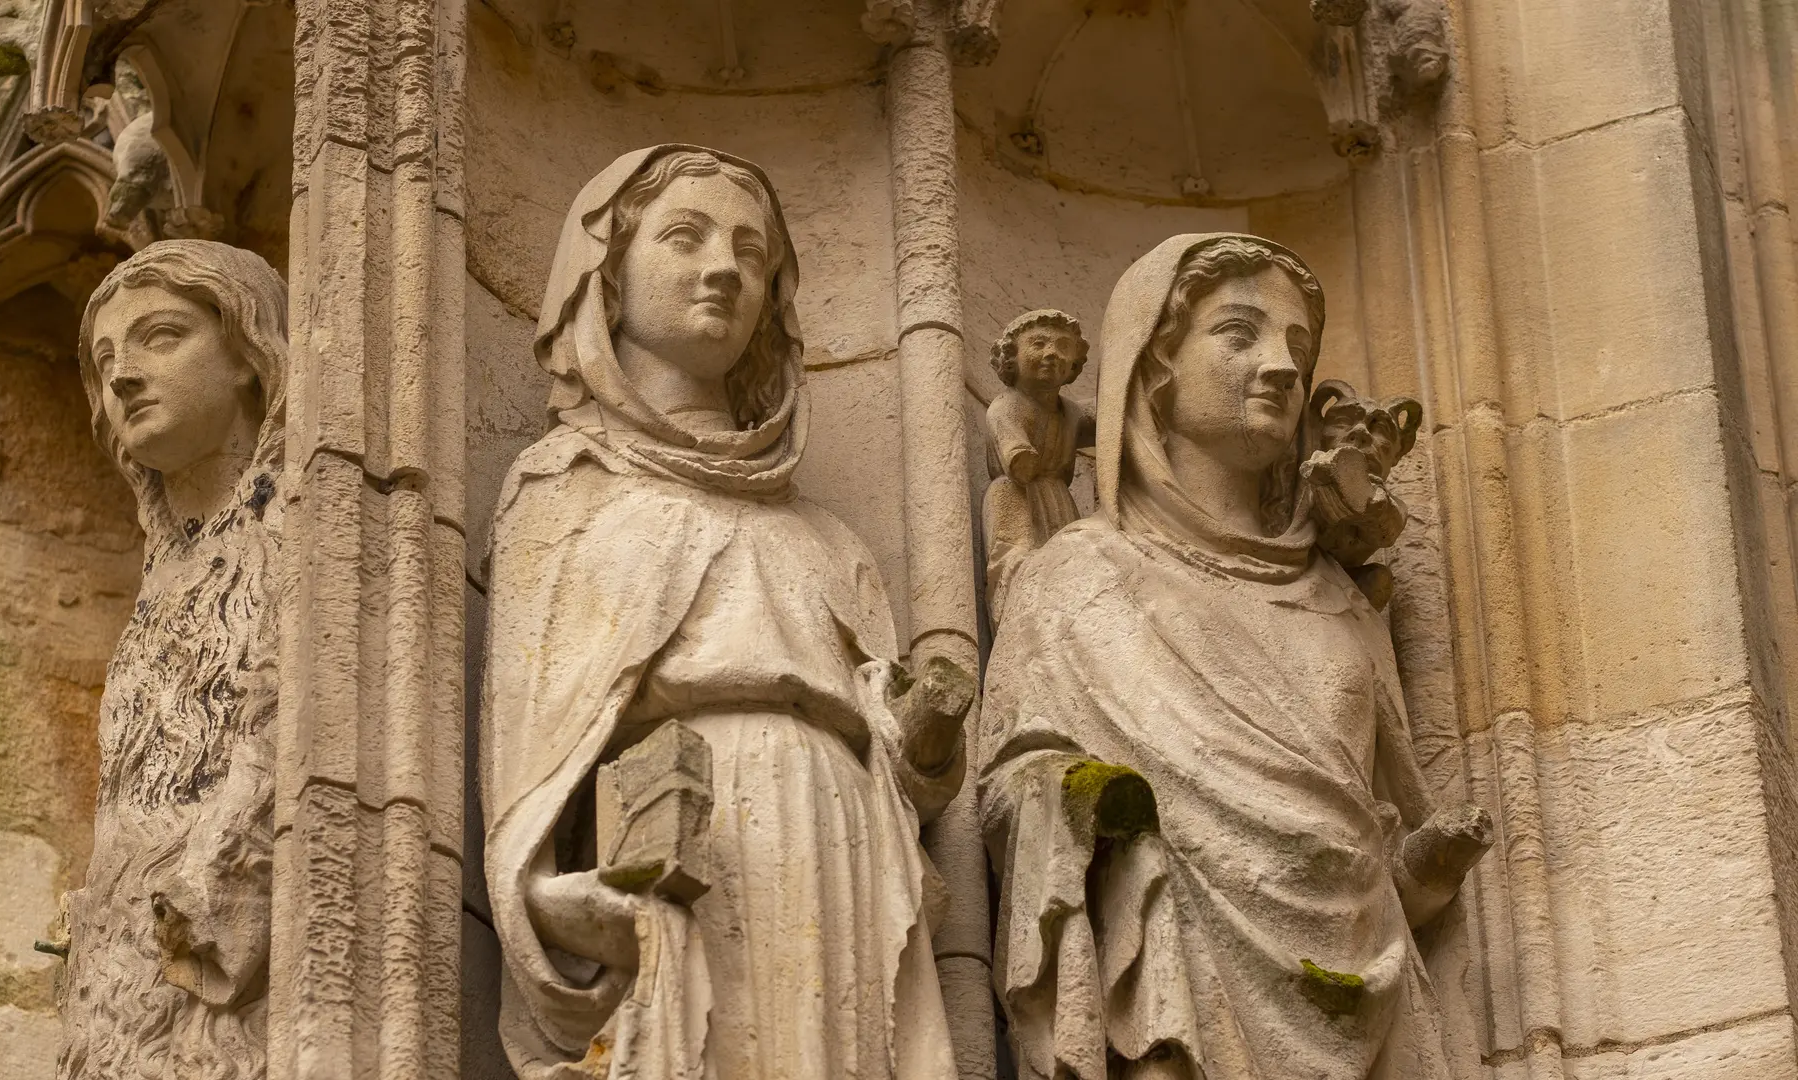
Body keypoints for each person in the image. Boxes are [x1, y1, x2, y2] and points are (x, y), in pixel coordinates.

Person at [481, 145, 964, 1080]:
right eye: (684, 237)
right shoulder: (560, 493)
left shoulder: (827, 539)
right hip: (683, 833)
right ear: (608, 281)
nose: (722, 270)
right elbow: (533, 756)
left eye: (751, 252)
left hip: (844, 845)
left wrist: (926, 739)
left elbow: (907, 779)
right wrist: (557, 895)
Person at [978, 233, 1489, 1080]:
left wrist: (1430, 864)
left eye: (1296, 345)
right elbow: (1003, 797)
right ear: (1154, 371)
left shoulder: (1342, 604)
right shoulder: (1077, 575)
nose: (1282, 368)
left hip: (1379, 1006)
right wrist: (1082, 804)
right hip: (1178, 994)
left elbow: (1395, 854)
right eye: (1238, 333)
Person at [60, 240, 289, 1080]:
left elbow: (287, 736)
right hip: (117, 990)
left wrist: (209, 891)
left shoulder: (303, 528)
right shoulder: (164, 574)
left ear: (247, 354)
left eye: (161, 336)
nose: (123, 377)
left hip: (228, 980)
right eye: (107, 358)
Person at [980, 309, 1092, 625]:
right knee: (1019, 570)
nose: (1051, 354)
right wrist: (1021, 455)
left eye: (1063, 347)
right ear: (1011, 358)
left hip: (1058, 501)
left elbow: (1111, 420)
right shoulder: (1007, 406)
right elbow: (1020, 463)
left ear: (1074, 364)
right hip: (1016, 498)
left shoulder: (1069, 411)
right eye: (1039, 344)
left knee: (1071, 577)